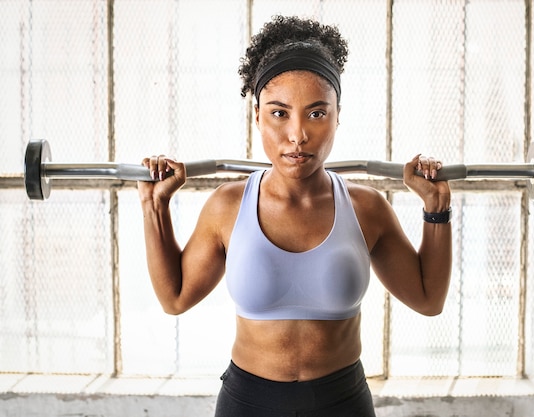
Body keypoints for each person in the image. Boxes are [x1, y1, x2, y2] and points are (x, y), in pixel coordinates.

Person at [138, 15, 452, 417]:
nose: (298, 135)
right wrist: (154, 206)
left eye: (317, 114)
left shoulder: (366, 208)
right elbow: (175, 298)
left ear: (339, 115)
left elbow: (428, 300)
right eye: (279, 113)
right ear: (256, 116)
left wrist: (436, 209)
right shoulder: (228, 206)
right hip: (249, 403)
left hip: (342, 402)